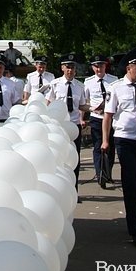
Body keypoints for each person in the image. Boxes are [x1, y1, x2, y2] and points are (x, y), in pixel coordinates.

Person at [102, 49, 136, 246]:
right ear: (128, 68)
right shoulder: (116, 88)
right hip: (125, 139)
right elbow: (108, 115)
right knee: (130, 182)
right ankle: (134, 229)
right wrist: (106, 141)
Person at [46, 54, 89, 190]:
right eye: (68, 67)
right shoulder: (54, 84)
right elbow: (48, 103)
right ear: (62, 68)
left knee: (74, 158)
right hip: (58, 126)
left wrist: (94, 108)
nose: (70, 70)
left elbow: (82, 105)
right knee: (58, 158)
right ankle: (58, 189)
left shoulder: (80, 86)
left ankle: (73, 189)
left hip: (74, 126)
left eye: (73, 68)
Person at [84, 53, 117, 186]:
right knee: (98, 147)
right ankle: (100, 175)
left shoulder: (114, 80)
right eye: (96, 66)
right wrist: (87, 114)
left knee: (111, 147)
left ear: (105, 66)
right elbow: (84, 101)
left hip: (112, 118)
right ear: (93, 67)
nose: (99, 69)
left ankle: (108, 172)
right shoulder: (88, 82)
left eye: (101, 66)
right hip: (97, 118)